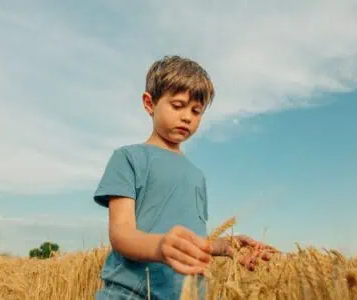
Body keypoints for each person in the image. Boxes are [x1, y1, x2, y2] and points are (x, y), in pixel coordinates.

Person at [93, 55, 277, 299]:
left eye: (196, 111)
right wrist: (160, 247)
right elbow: (121, 234)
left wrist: (223, 245)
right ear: (149, 103)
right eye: (178, 106)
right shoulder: (129, 158)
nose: (187, 117)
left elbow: (194, 238)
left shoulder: (197, 175)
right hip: (130, 293)